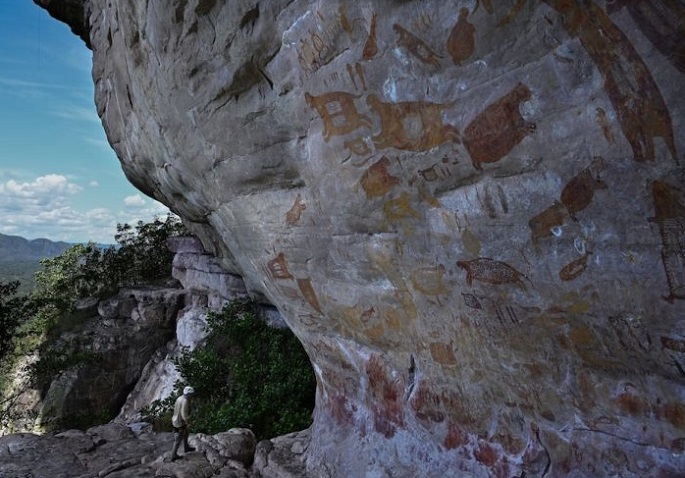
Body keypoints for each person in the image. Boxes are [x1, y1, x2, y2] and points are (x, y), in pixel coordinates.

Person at [170, 386, 196, 461]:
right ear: (188, 394)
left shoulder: (180, 398)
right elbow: (184, 415)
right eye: (191, 394)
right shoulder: (185, 401)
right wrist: (188, 423)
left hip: (176, 420)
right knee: (177, 440)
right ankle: (173, 455)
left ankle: (186, 447)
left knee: (186, 433)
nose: (192, 396)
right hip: (180, 423)